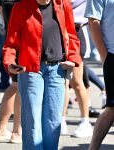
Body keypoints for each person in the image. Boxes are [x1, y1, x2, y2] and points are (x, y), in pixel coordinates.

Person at [2, 0, 82, 149]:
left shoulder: (63, 4)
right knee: (32, 122)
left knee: (53, 122)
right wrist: (10, 63)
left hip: (57, 70)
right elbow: (10, 44)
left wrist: (72, 59)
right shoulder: (21, 7)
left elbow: (72, 35)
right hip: (31, 71)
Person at [0, 0, 22, 144]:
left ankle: (1, 129)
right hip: (23, 41)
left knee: (15, 85)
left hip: (11, 37)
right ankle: (16, 131)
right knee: (21, 86)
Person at [61, 0, 94, 137]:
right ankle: (61, 120)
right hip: (57, 32)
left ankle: (85, 121)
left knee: (77, 82)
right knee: (62, 82)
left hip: (75, 31)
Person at [85, 0, 114, 149]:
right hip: (112, 55)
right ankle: (93, 147)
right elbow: (93, 22)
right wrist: (105, 57)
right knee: (112, 108)